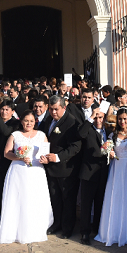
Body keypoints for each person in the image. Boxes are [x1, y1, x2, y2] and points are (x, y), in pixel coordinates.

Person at [0, 110, 52, 244]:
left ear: (35, 122)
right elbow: (6, 153)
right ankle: (16, 231)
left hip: (36, 171)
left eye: (31, 121)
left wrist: (46, 159)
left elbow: (46, 153)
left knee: (34, 199)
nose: (29, 123)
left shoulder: (41, 135)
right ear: (21, 121)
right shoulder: (15, 135)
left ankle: (35, 230)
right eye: (26, 121)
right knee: (19, 199)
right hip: (18, 171)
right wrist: (19, 157)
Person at [96, 108, 127, 246]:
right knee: (115, 197)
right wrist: (109, 153)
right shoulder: (112, 135)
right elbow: (109, 150)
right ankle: (112, 232)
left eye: (125, 118)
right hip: (116, 169)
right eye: (120, 119)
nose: (122, 121)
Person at [38, 95, 82, 239]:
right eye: (50, 109)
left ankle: (68, 227)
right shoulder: (49, 120)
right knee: (54, 198)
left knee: (67, 199)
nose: (53, 112)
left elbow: (76, 146)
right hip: (50, 167)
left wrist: (58, 157)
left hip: (65, 168)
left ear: (63, 107)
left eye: (56, 109)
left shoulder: (71, 122)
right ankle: (56, 223)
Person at [78, 104, 109, 245]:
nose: (98, 120)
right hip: (88, 173)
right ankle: (84, 232)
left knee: (99, 203)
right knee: (86, 204)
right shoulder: (88, 129)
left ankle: (96, 228)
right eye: (96, 117)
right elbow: (80, 134)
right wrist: (90, 117)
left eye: (100, 117)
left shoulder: (108, 131)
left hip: (103, 172)